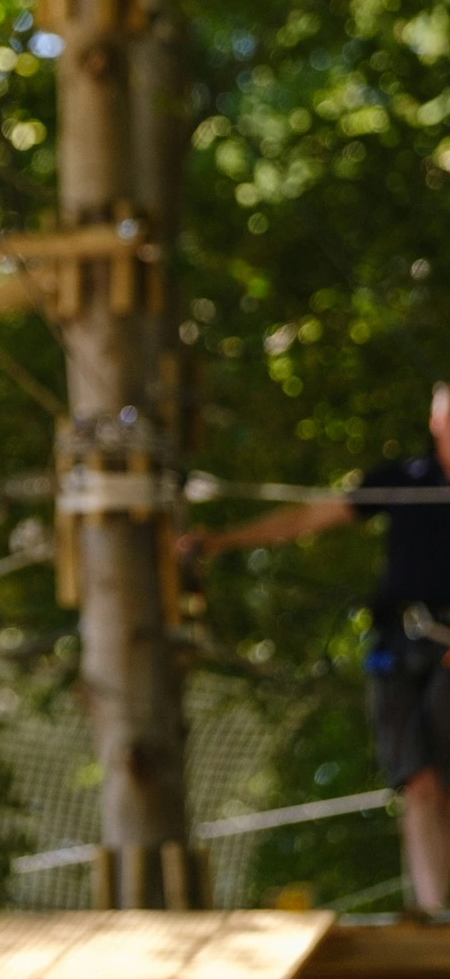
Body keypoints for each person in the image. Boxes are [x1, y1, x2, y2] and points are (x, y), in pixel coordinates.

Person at [183, 383, 450, 912]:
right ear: (436, 422)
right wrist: (220, 541)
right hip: (399, 644)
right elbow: (307, 518)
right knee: (417, 782)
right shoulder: (403, 480)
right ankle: (434, 909)